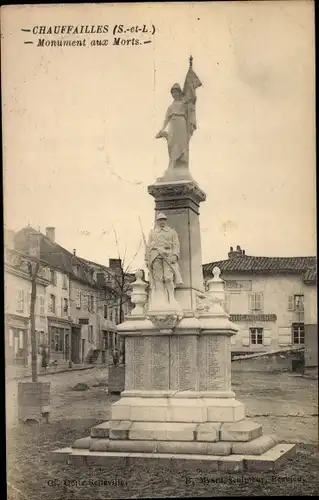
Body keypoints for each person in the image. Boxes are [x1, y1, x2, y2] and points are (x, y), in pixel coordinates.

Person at [145, 213, 183, 310]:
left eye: (164, 220)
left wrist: (175, 255)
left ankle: (171, 298)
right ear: (156, 221)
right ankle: (161, 301)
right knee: (158, 279)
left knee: (168, 278)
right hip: (155, 256)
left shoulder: (172, 232)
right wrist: (146, 259)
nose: (162, 222)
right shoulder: (152, 233)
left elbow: (176, 244)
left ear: (166, 221)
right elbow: (148, 247)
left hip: (168, 256)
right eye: (160, 220)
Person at [156, 83, 191, 169]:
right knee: (171, 144)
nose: (174, 94)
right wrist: (162, 130)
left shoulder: (184, 104)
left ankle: (181, 164)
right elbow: (166, 119)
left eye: (176, 92)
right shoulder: (170, 107)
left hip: (182, 124)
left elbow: (189, 115)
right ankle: (173, 163)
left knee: (182, 144)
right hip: (173, 125)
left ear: (179, 93)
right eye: (173, 92)